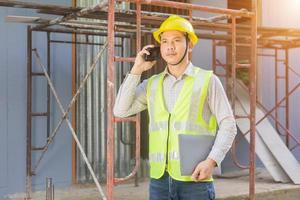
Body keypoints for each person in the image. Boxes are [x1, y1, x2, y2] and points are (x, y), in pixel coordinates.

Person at [113, 15, 237, 200]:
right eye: (164, 41)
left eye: (177, 40)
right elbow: (120, 111)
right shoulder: (151, 85)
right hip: (159, 181)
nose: (170, 46)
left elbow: (229, 125)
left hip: (195, 180)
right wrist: (137, 69)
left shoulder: (208, 81)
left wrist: (211, 161)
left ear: (190, 45)